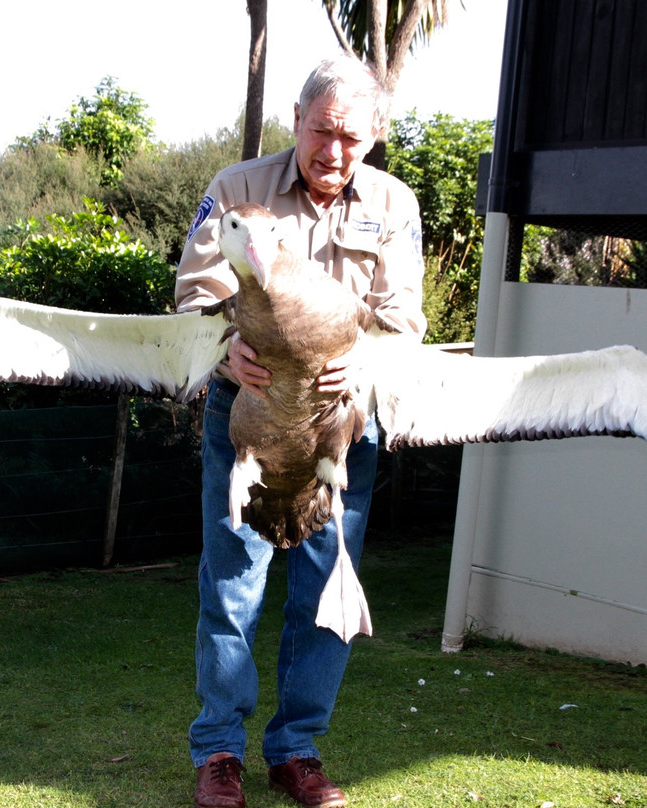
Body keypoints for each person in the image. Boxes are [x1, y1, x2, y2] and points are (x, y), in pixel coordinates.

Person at [175, 54, 426, 808]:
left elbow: (405, 319)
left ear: (373, 136)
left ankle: (296, 752)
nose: (334, 152)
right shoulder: (237, 190)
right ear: (296, 120)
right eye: (322, 132)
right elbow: (195, 291)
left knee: (325, 592)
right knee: (232, 586)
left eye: (352, 138)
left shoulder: (395, 203)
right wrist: (229, 345)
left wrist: (368, 362)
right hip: (246, 416)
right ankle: (219, 752)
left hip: (339, 429)